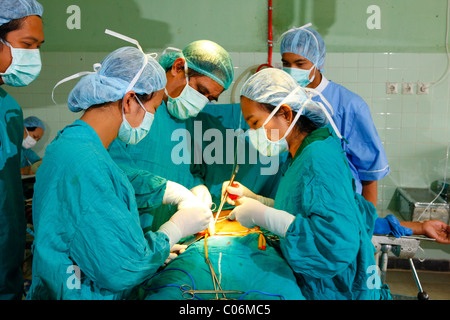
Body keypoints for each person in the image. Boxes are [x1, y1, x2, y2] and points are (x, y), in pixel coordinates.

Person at [27, 45, 212, 300]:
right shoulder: (85, 160)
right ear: (128, 100)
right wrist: (172, 232)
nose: (152, 116)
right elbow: (122, 269)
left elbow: (107, 194)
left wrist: (166, 192)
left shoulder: (76, 143)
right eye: (155, 108)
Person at [223, 67, 391, 300]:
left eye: (255, 123)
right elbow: (308, 208)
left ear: (285, 113)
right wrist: (256, 200)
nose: (252, 133)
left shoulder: (317, 157)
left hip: (337, 289)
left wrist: (262, 215)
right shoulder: (303, 150)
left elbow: (335, 242)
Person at [278, 24, 450, 242]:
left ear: (318, 61)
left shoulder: (348, 105)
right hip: (299, 209)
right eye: (286, 63)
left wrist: (366, 226)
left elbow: (369, 173)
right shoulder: (286, 103)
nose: (292, 70)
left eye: (300, 63)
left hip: (340, 210)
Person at [108, 40, 234, 231]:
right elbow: (108, 170)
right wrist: (164, 190)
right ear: (178, 67)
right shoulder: (135, 106)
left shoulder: (188, 121)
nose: (201, 102)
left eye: (209, 99)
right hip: (124, 233)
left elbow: (187, 170)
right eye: (201, 91)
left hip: (165, 238)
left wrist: (197, 187)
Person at [0, 0, 44, 300]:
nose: (34, 55)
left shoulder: (10, 108)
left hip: (7, 262)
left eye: (38, 45)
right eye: (27, 44)